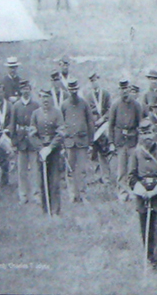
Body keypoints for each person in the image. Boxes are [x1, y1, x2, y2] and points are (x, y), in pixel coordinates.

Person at [128, 118, 157, 272]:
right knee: (146, 230)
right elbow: (131, 176)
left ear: (154, 133)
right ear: (140, 135)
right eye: (144, 133)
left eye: (149, 133)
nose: (147, 137)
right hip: (142, 197)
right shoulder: (136, 152)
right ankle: (150, 259)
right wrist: (140, 189)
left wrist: (155, 190)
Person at [30, 88, 66, 216]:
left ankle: (55, 210)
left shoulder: (57, 113)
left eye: (47, 97)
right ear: (39, 98)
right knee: (42, 181)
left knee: (54, 181)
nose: (45, 100)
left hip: (54, 152)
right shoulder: (35, 114)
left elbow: (61, 133)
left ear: (51, 98)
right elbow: (32, 134)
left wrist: (50, 148)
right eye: (42, 97)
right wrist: (41, 149)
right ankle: (45, 209)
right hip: (41, 153)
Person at [109, 78, 144, 202]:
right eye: (122, 89)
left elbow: (140, 124)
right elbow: (111, 125)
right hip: (120, 141)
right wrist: (111, 142)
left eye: (126, 89)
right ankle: (122, 193)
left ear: (129, 90)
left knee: (133, 168)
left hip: (133, 140)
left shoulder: (136, 105)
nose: (124, 92)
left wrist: (140, 142)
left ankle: (134, 192)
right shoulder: (115, 105)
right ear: (119, 90)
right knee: (121, 169)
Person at [60, 78, 94, 203]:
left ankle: (83, 194)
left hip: (82, 142)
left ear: (77, 89)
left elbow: (90, 123)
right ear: (68, 90)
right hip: (69, 142)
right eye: (71, 89)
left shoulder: (84, 104)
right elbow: (61, 124)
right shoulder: (64, 105)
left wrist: (90, 142)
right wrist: (62, 142)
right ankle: (72, 195)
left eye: (75, 89)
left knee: (82, 170)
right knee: (70, 169)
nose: (73, 92)